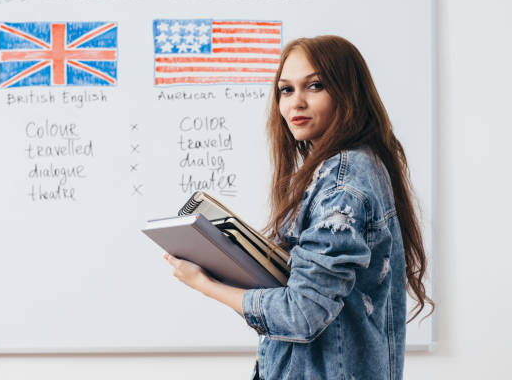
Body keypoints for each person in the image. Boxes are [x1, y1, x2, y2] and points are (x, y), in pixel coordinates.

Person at [164, 35, 434, 380]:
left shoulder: (342, 183)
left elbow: (302, 314)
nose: (297, 103)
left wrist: (204, 283)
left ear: (349, 94)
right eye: (286, 90)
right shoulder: (352, 168)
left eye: (316, 86)